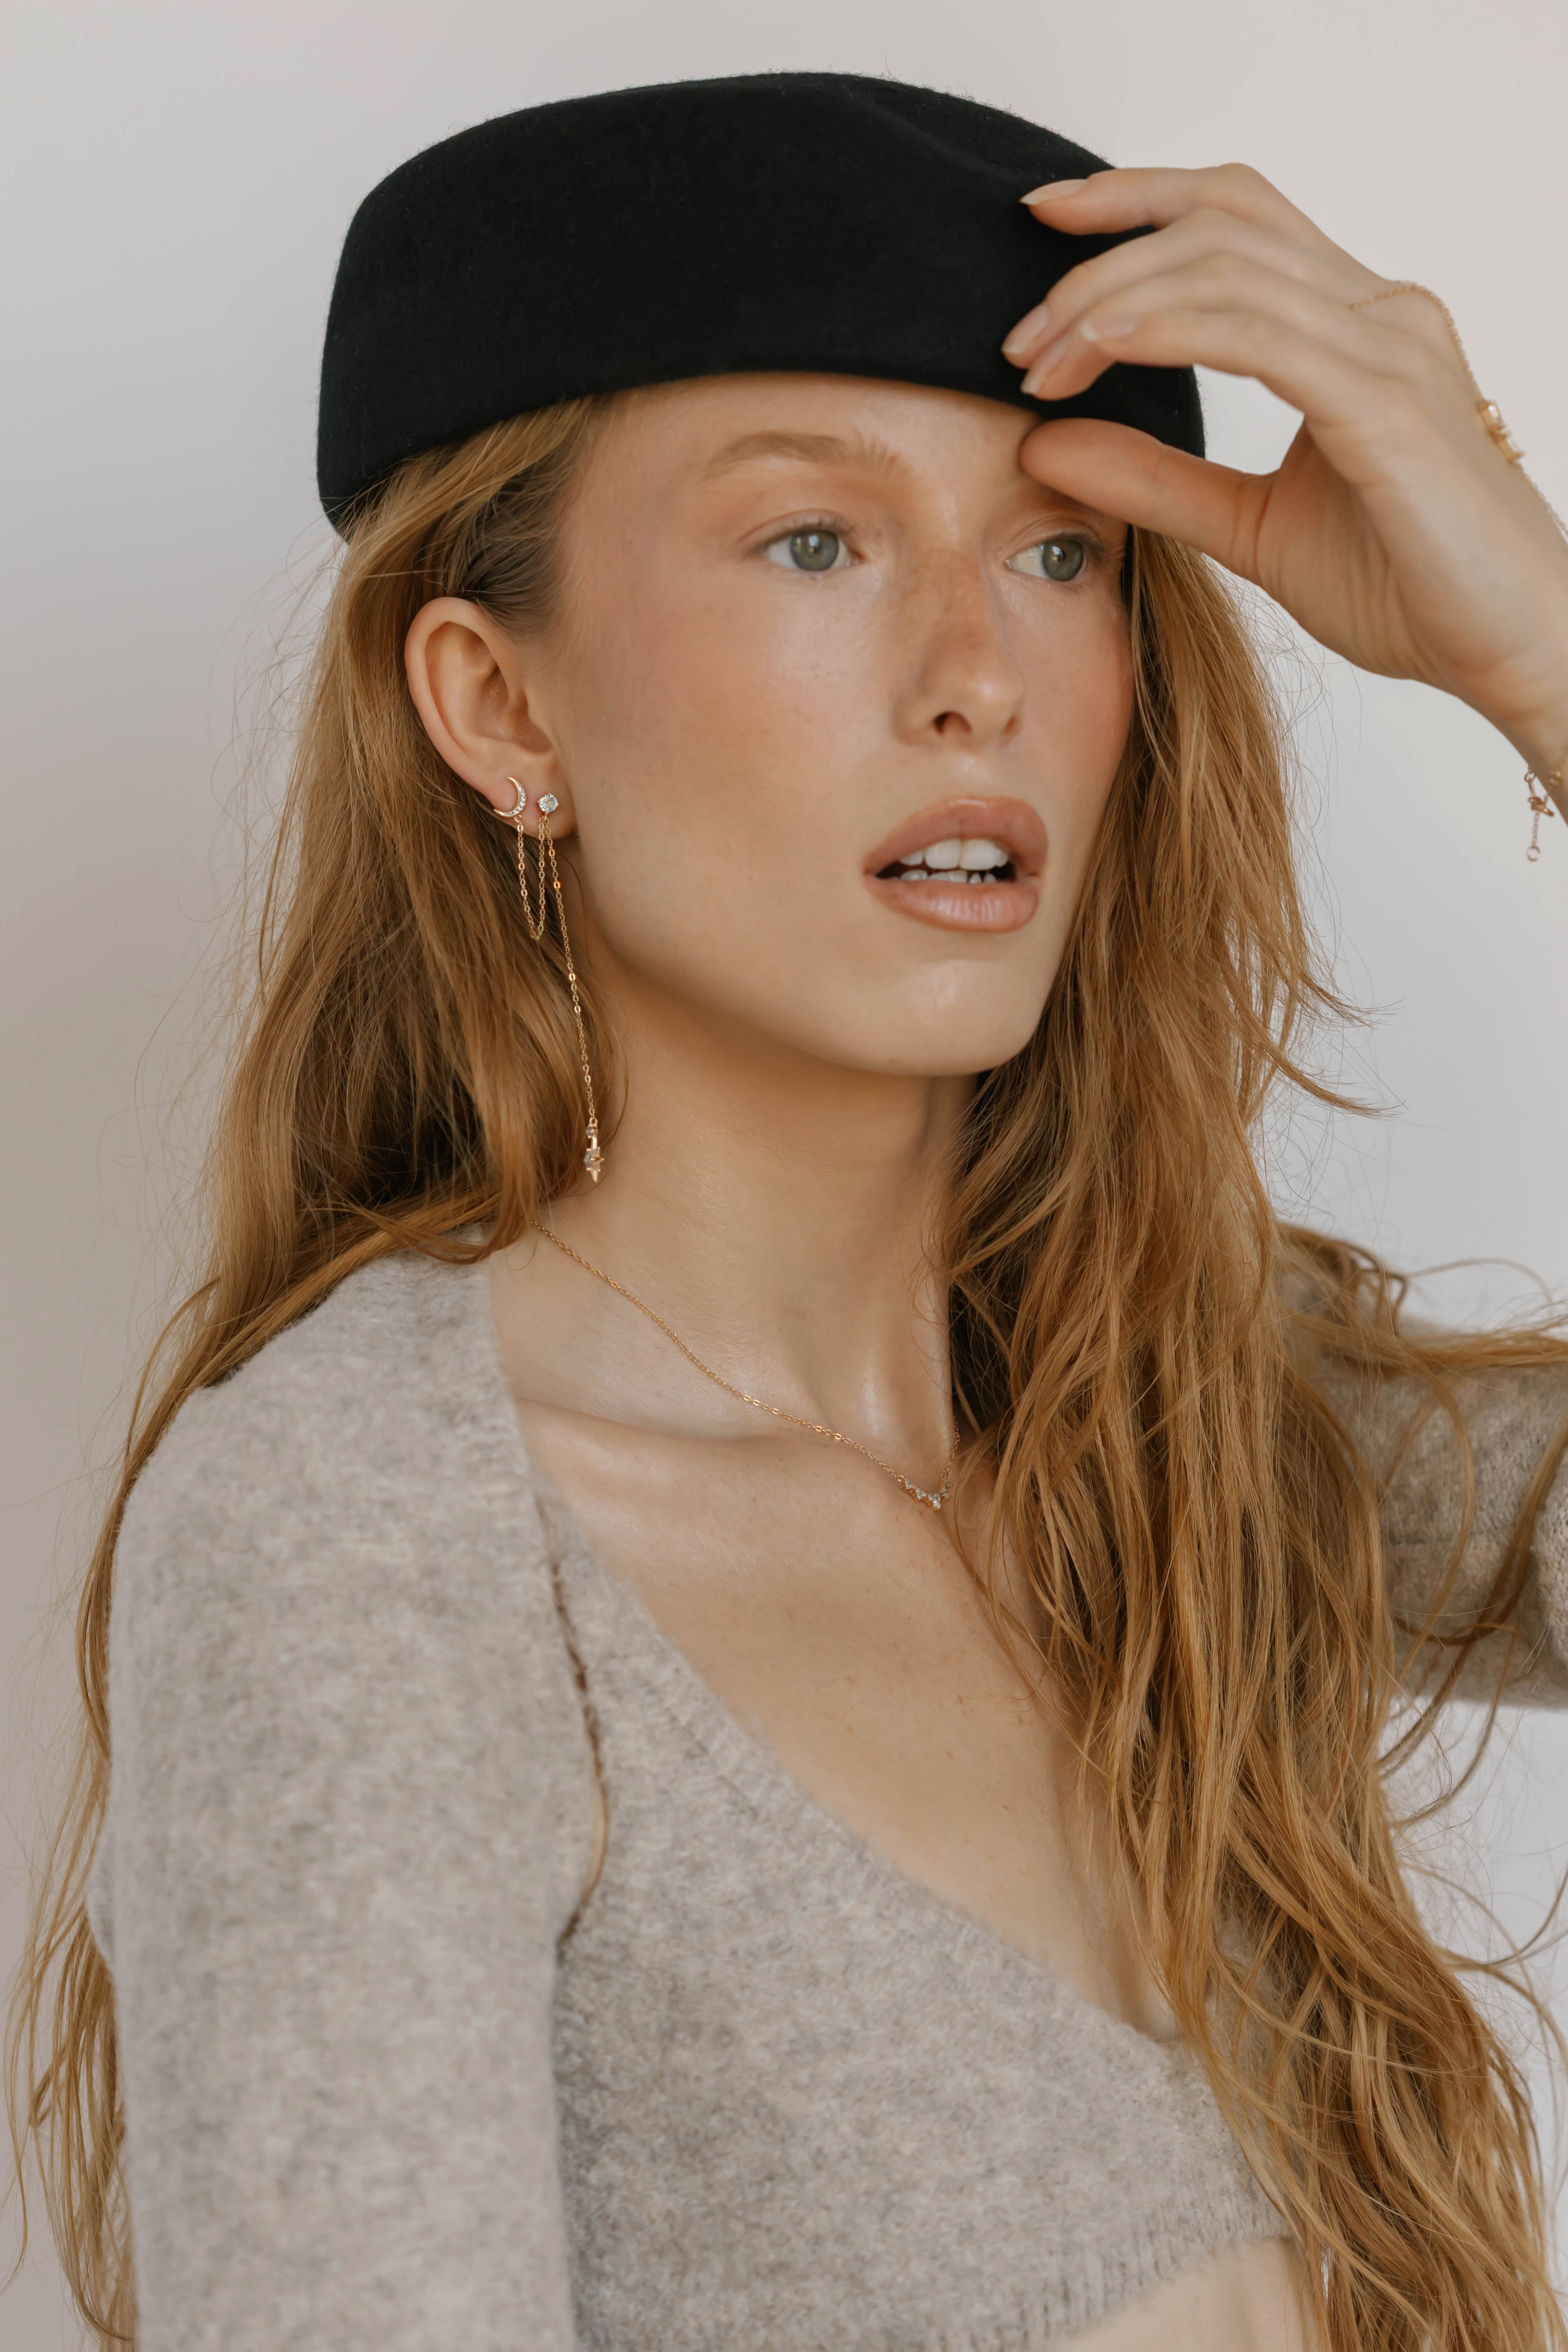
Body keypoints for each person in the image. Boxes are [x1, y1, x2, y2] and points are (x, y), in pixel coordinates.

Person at [8, 69, 1568, 2352]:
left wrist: (1545, 653)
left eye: (1060, 553)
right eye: (816, 542)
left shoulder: (1190, 1418)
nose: (977, 675)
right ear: (496, 702)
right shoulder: (376, 1534)